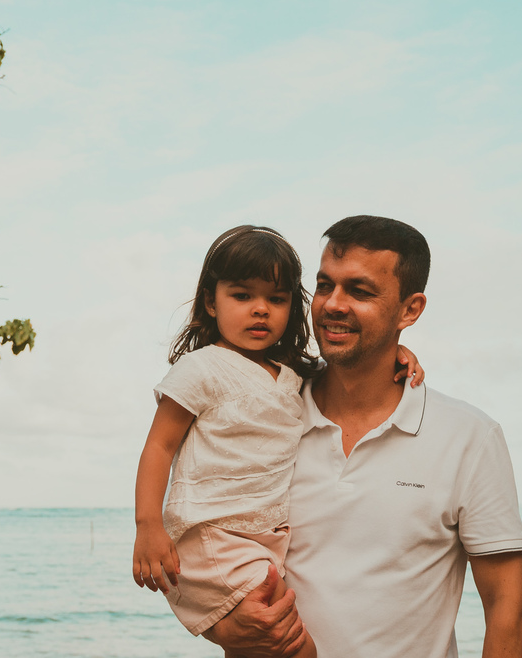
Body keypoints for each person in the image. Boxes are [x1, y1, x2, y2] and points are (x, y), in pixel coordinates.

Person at [206, 215, 522, 658]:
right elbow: (196, 534)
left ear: (410, 309)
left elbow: (508, 606)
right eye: (324, 286)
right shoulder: (261, 409)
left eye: (359, 291)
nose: (333, 305)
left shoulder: (469, 438)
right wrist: (221, 627)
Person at [131, 225, 423, 655]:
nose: (261, 310)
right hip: (213, 533)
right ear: (212, 301)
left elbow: (351, 372)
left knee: (258, 644)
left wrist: (400, 352)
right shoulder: (202, 368)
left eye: (277, 298)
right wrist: (148, 526)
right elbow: (158, 447)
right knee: (294, 648)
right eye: (243, 295)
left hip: (260, 540)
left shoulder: (291, 375)